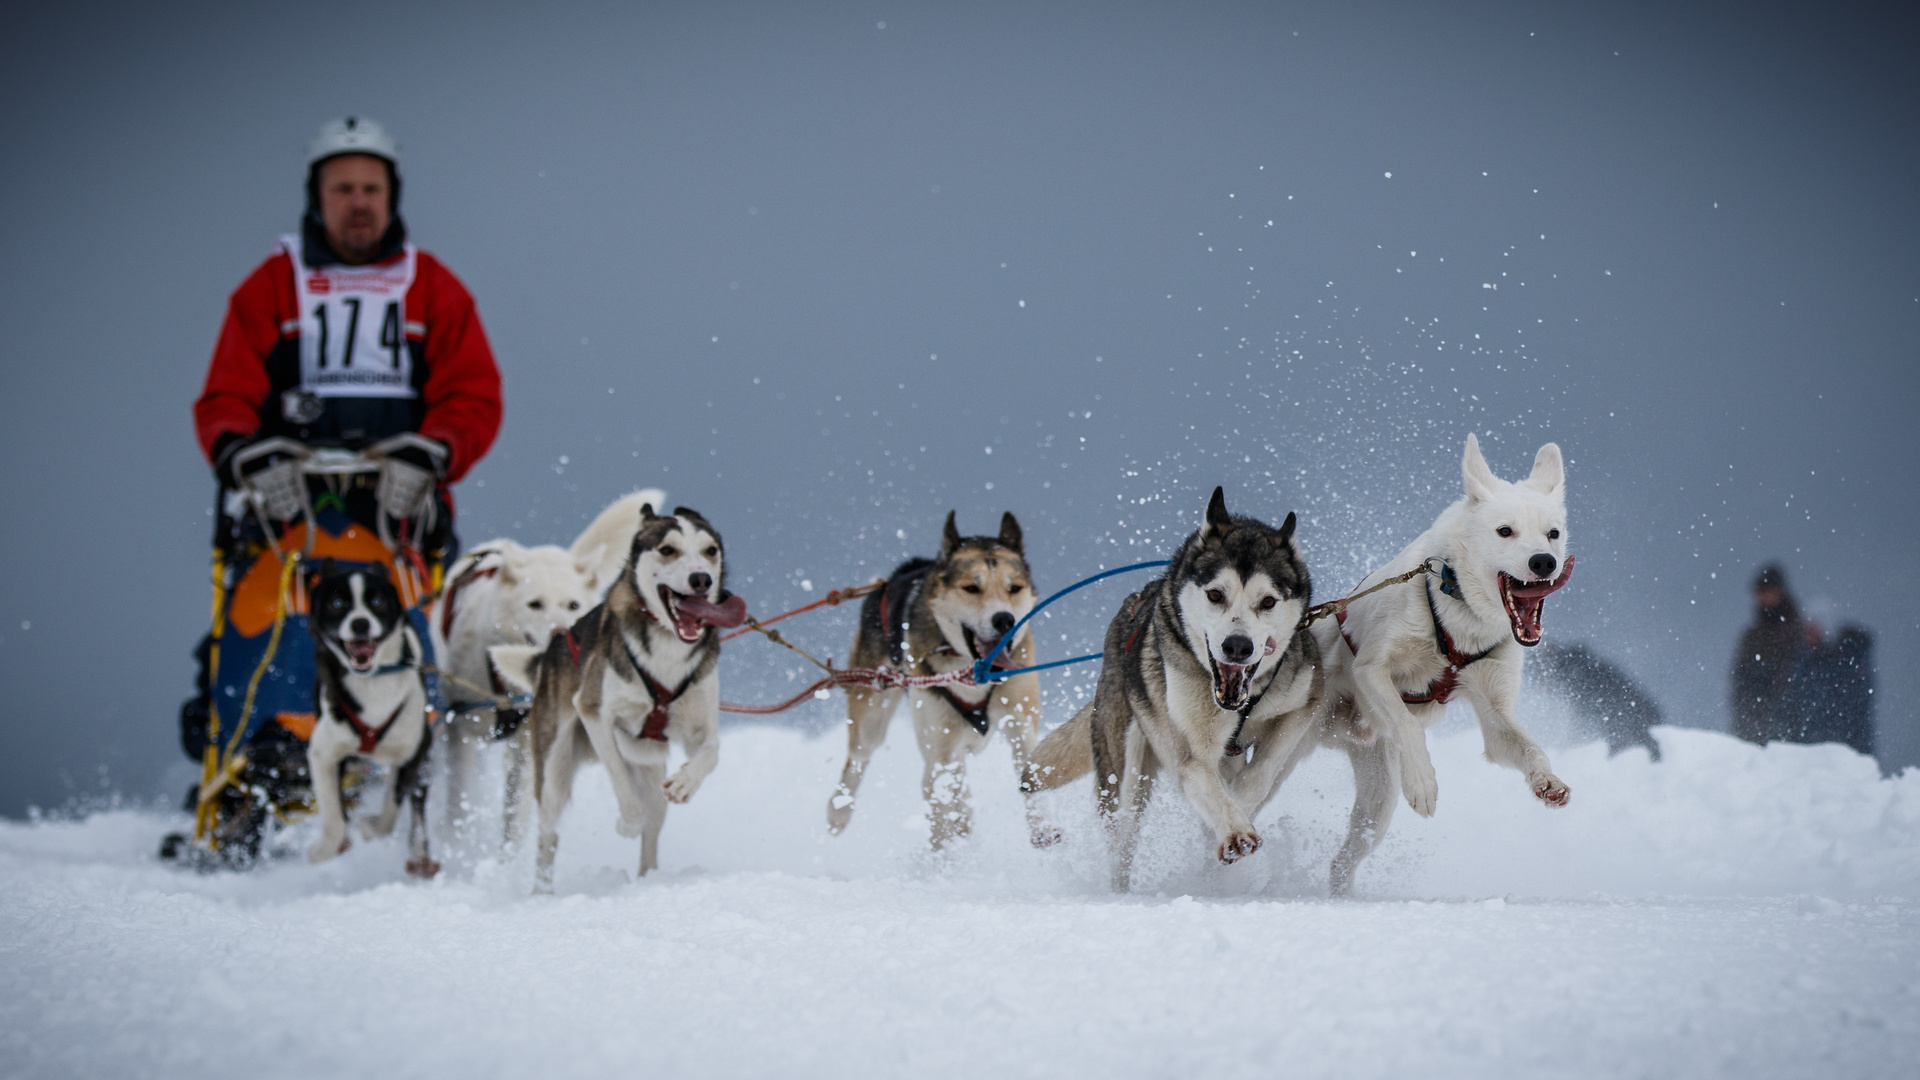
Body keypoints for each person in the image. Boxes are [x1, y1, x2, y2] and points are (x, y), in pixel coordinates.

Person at [169, 117, 502, 863]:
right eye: (342, 188)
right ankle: (261, 763)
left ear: (393, 196)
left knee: (406, 629)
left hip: (396, 515)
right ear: (316, 197)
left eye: (371, 189)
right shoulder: (272, 285)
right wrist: (244, 456)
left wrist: (436, 451)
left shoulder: (433, 288)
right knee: (260, 626)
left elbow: (474, 395)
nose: (358, 203)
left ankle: (392, 769)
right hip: (288, 512)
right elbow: (225, 393)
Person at [1728, 564, 1802, 745]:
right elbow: (1738, 678)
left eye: (1766, 591)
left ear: (1779, 592)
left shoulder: (1794, 632)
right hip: (1754, 721)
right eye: (1759, 592)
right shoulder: (1753, 635)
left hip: (1786, 720)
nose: (1761, 598)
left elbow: (1794, 675)